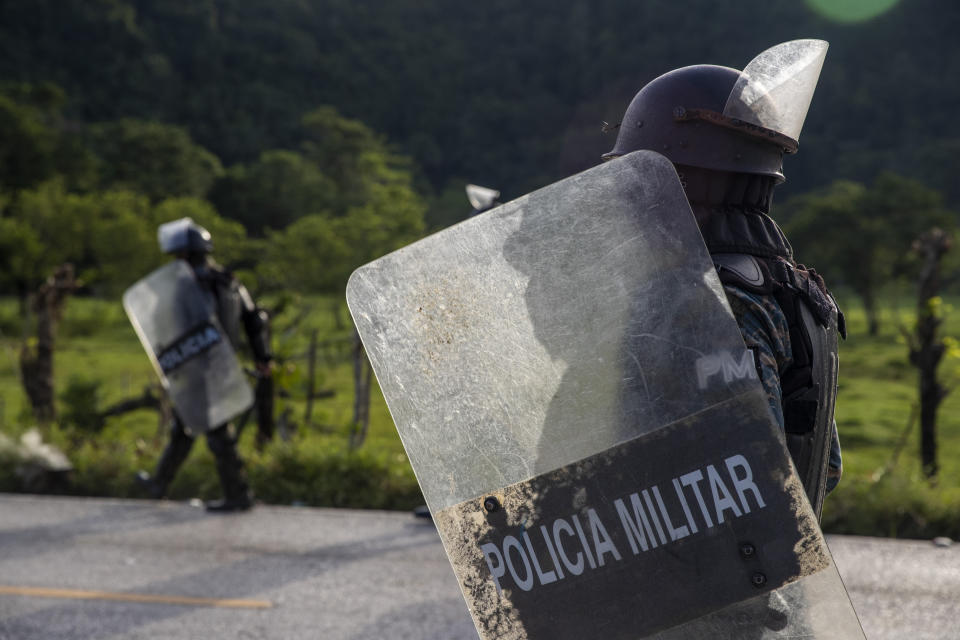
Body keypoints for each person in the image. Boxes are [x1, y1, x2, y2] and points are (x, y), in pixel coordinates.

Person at [600, 40, 843, 519]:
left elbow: (748, 481)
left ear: (681, 183)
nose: (632, 200)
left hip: (703, 581)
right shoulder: (793, 289)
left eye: (643, 179)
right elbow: (827, 468)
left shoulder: (712, 303)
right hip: (770, 573)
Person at [137, 218, 273, 512]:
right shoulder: (229, 281)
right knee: (185, 427)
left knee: (217, 432)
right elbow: (255, 320)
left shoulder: (188, 285)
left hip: (199, 368)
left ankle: (239, 495)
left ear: (184, 254)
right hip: (224, 365)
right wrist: (262, 357)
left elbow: (177, 326)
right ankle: (159, 484)